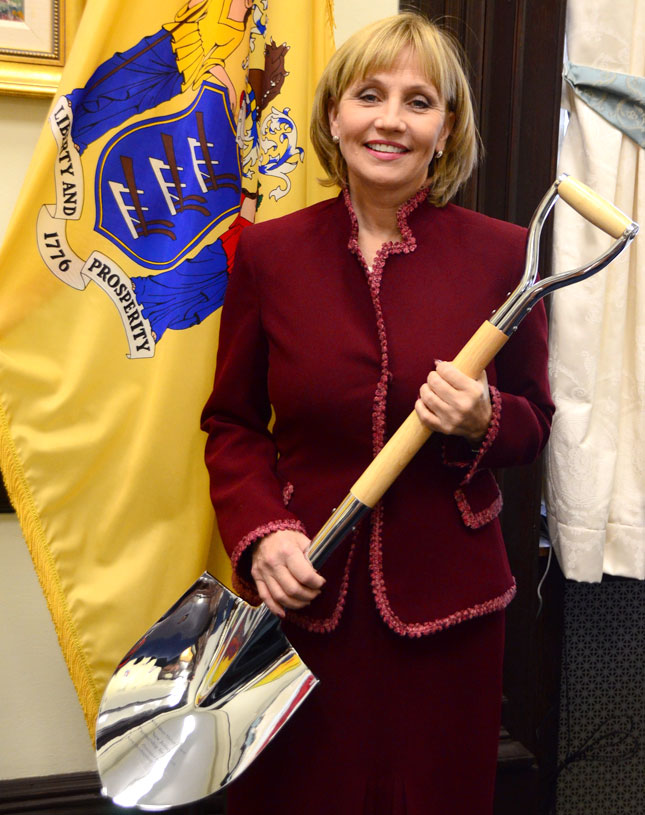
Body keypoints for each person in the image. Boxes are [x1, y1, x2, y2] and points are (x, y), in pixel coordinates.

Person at [201, 12, 553, 815]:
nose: (389, 119)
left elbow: (535, 416)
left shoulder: (503, 255)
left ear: (445, 127)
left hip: (450, 617)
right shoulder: (265, 253)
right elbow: (231, 423)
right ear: (333, 114)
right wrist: (262, 532)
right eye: (369, 95)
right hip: (301, 603)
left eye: (417, 101)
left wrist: (482, 417)